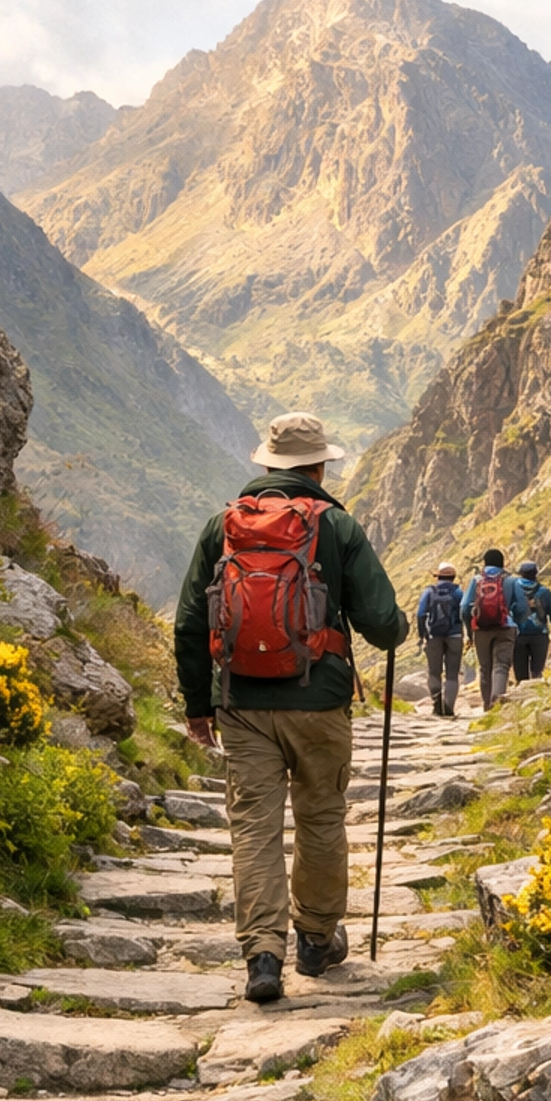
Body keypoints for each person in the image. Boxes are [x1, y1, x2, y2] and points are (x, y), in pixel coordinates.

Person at [174, 411, 408, 1007]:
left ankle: (262, 957)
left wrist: (198, 706)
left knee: (253, 829)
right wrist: (396, 628)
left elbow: (189, 623)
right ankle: (315, 939)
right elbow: (382, 624)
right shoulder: (338, 527)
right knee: (321, 819)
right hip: (320, 701)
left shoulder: (221, 527)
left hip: (242, 703)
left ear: (267, 464)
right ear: (319, 465)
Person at [461, 546, 521, 709]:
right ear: (502, 563)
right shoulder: (511, 580)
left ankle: (487, 705)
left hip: (481, 629)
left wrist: (469, 630)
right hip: (505, 627)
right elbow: (522, 606)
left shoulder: (476, 580)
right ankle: (498, 704)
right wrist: (516, 624)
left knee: (485, 668)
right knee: (501, 665)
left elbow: (465, 607)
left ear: (485, 563)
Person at [416, 559, 465, 716]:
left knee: (434, 672)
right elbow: (465, 612)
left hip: (433, 636)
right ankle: (449, 707)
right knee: (452, 674)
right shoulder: (458, 592)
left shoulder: (429, 592)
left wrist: (423, 634)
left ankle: (437, 705)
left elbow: (420, 614)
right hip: (455, 635)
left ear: (438, 576)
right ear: (453, 577)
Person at [512, 558, 551, 681]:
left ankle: (520, 695)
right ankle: (534, 695)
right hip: (540, 636)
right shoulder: (544, 592)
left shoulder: (513, 591)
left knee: (520, 675)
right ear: (536, 573)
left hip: (517, 636)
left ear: (520, 573)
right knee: (537, 672)